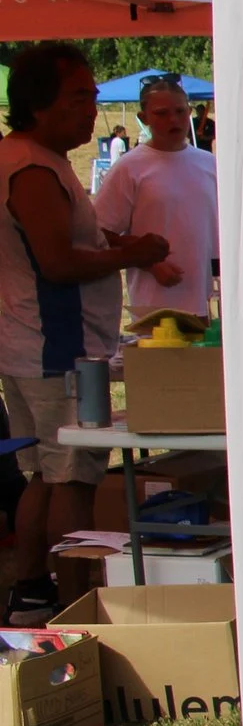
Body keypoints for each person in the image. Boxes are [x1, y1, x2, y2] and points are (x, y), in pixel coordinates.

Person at [0, 45, 169, 623]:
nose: (90, 108)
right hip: (55, 347)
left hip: (34, 345)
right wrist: (132, 253)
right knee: (70, 476)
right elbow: (56, 262)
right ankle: (73, 599)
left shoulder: (31, 158)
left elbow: (64, 251)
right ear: (39, 104)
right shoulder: (32, 168)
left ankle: (33, 591)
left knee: (44, 474)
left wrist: (123, 250)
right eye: (79, 97)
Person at [94, 75, 219, 325]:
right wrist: (150, 263)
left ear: (190, 112)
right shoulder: (130, 168)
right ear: (144, 118)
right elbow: (98, 233)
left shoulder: (210, 163)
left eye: (180, 111)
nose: (173, 120)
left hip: (211, 301)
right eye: (161, 113)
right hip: (156, 307)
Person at [89, 122, 129, 194]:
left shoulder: (113, 141)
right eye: (123, 132)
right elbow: (121, 154)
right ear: (119, 133)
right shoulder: (121, 142)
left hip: (113, 163)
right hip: (119, 164)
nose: (125, 134)